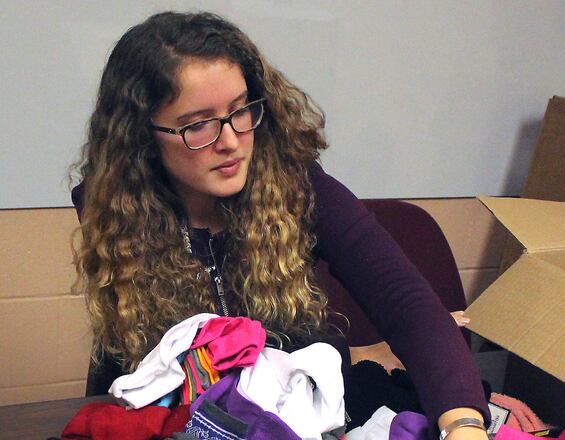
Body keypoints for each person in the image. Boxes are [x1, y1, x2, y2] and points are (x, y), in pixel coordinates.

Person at [71, 11, 489, 439]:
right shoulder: (116, 204)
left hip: (302, 418)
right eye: (198, 125)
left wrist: (465, 423)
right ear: (142, 135)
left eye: (241, 111)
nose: (231, 141)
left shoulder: (300, 185)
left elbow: (407, 302)